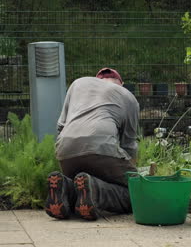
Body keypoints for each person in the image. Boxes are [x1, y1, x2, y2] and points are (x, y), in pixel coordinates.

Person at [45, 68, 140, 220]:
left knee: (83, 182)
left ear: (96, 80)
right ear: (121, 84)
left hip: (65, 149)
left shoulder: (78, 84)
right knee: (136, 194)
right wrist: (132, 174)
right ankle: (96, 190)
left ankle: (65, 187)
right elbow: (129, 144)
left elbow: (61, 126)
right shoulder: (128, 97)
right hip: (102, 148)